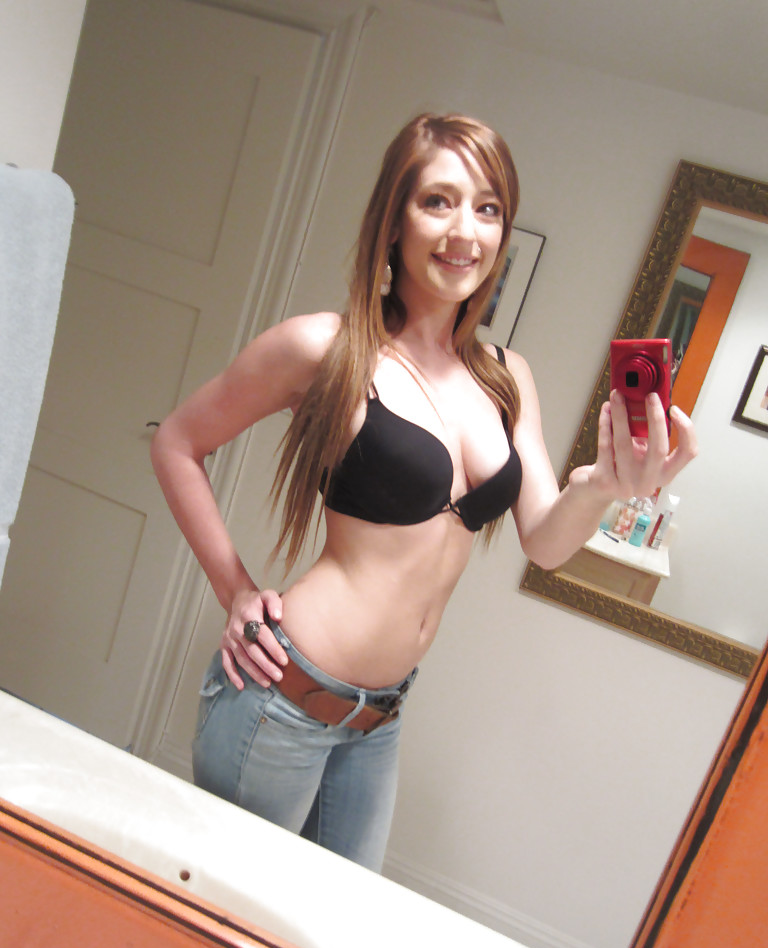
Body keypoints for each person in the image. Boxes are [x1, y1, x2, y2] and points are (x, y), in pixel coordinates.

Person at [151, 113, 697, 872]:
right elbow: (177, 442)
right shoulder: (326, 347)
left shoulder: (507, 377)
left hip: (379, 720)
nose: (464, 230)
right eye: (438, 201)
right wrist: (235, 590)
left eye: (488, 208)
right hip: (283, 700)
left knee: (339, 931)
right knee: (222, 919)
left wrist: (604, 483)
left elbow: (545, 540)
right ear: (394, 219)